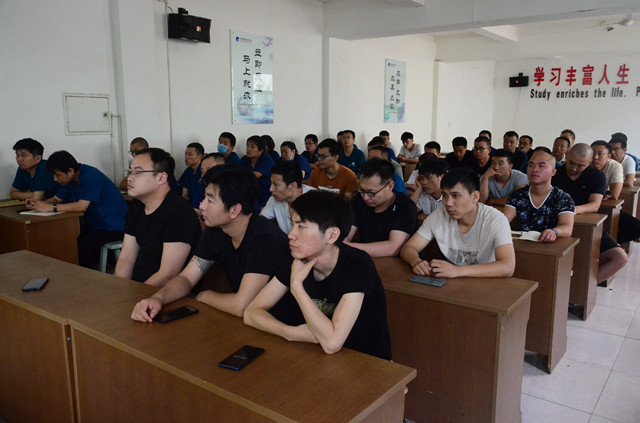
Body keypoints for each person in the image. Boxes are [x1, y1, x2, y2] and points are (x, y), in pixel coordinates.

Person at [244, 190, 392, 360]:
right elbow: (251, 313)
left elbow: (332, 344)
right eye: (292, 224)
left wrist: (297, 287)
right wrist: (290, 332)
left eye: (301, 226)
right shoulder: (297, 258)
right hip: (317, 356)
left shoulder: (358, 264)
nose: (291, 234)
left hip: (366, 361)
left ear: (332, 235)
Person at [130, 165, 290, 321]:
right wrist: (157, 299)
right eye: (204, 198)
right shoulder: (216, 232)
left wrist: (204, 295)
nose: (202, 206)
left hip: (282, 325)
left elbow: (241, 306)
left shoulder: (264, 238)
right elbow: (187, 278)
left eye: (210, 200)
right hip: (249, 322)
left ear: (234, 210)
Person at [400, 167, 515, 278]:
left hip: (485, 281)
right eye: (444, 195)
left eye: (455, 196)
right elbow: (409, 248)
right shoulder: (439, 215)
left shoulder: (495, 219)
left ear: (475, 197)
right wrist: (416, 262)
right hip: (451, 280)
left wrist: (458, 271)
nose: (448, 203)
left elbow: (507, 267)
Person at [25, 150, 127, 268]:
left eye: (57, 175)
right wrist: (38, 204)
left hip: (115, 226)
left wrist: (50, 208)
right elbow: (57, 199)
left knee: (81, 242)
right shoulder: (70, 180)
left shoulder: (90, 176)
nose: (55, 179)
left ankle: (86, 275)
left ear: (70, 171)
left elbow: (82, 206)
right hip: (98, 224)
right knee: (67, 234)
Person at [115, 148, 201, 285]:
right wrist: (121, 288)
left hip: (164, 292)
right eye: (130, 172)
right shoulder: (137, 206)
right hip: (137, 287)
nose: (129, 178)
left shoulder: (179, 213)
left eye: (137, 172)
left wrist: (136, 296)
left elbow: (167, 275)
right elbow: (127, 257)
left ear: (161, 178)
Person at [552, 144, 628, 283]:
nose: (574, 168)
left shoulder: (596, 176)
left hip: (587, 224)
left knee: (620, 258)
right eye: (571, 163)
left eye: (580, 166)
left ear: (589, 162)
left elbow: (595, 205)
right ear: (566, 156)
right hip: (555, 222)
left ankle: (585, 287)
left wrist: (572, 210)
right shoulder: (555, 172)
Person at [344, 158, 417, 257]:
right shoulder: (358, 200)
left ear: (390, 186)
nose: (365, 197)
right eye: (361, 191)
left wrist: (347, 247)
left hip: (398, 261)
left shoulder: (405, 206)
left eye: (371, 193)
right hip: (367, 258)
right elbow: (345, 234)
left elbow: (393, 248)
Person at [503, 148, 574, 243]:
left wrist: (554, 231)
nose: (534, 170)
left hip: (550, 245)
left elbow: (567, 228)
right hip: (522, 245)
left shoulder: (563, 198)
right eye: (531, 165)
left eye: (541, 166)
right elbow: (503, 220)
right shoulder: (518, 195)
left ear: (553, 172)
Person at [261, 161, 315, 234]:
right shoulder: (275, 199)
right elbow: (259, 222)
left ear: (292, 186)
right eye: (271, 184)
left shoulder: (316, 200)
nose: (271, 189)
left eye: (276, 184)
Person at [240, 135, 275, 207]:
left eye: (252, 147)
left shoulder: (267, 160)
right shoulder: (244, 160)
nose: (248, 149)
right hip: (250, 195)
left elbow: (253, 177)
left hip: (265, 197)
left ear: (261, 150)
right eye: (247, 146)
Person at [179, 142, 205, 209]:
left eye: (190, 155)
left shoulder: (205, 171)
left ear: (200, 157)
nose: (186, 157)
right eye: (185, 154)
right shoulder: (188, 171)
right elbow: (184, 196)